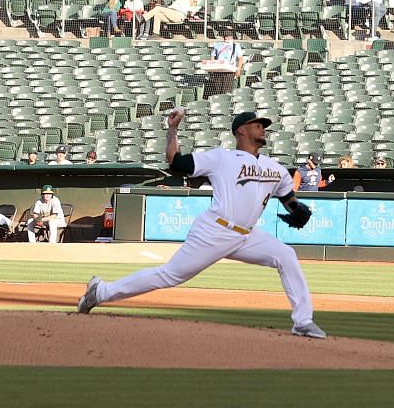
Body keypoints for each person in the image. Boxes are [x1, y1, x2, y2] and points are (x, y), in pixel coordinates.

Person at [81, 109, 324, 339]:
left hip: (247, 236)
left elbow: (287, 197)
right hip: (215, 230)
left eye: (263, 126)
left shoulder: (276, 168)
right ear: (241, 131)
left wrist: (298, 211)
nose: (263, 129)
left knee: (285, 255)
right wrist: (172, 131)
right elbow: (176, 162)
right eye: (257, 125)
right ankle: (100, 291)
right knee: (169, 275)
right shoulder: (221, 158)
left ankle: (303, 321)